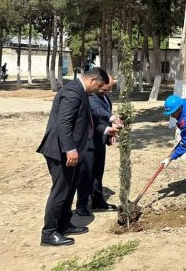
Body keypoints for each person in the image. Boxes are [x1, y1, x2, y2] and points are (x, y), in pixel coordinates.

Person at [37, 67, 109, 247]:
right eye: (99, 86)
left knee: (69, 190)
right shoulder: (72, 92)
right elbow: (64, 122)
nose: (100, 90)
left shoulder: (80, 92)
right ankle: (49, 233)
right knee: (60, 191)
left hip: (73, 152)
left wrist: (105, 129)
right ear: (92, 80)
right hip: (60, 151)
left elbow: (87, 120)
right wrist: (69, 149)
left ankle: (63, 224)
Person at [75, 76, 122, 216]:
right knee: (85, 175)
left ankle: (97, 201)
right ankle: (81, 205)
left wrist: (109, 134)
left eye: (109, 90)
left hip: (100, 139)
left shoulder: (105, 96)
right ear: (99, 84)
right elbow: (95, 111)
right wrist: (111, 117)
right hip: (89, 142)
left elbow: (103, 118)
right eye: (104, 89)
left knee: (97, 173)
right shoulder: (91, 95)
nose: (106, 92)